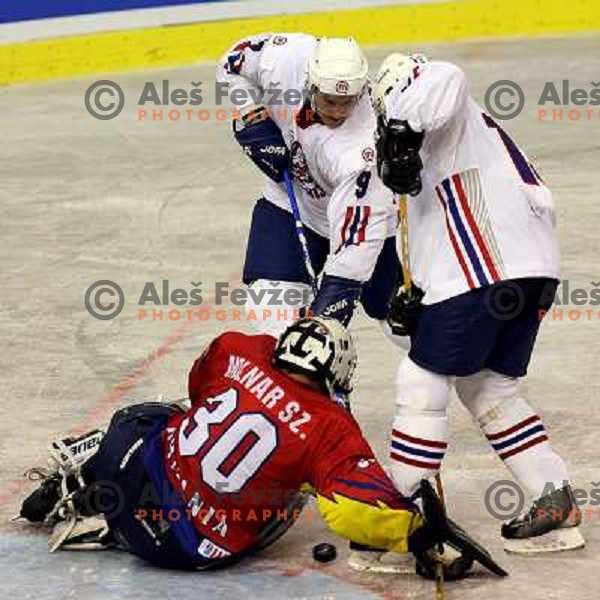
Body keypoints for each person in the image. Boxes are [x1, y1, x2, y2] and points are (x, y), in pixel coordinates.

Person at [18, 318, 505, 579]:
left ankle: (82, 476)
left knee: (152, 417)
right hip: (192, 550)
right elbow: (355, 510)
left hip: (136, 477)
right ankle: (119, 525)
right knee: (298, 491)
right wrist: (417, 533)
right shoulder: (331, 426)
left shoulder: (238, 347)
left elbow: (199, 388)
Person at [371, 53, 584, 554]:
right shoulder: (462, 144)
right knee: (488, 384)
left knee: (421, 379)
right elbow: (429, 233)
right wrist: (415, 298)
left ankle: (408, 517)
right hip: (528, 269)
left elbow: (445, 76)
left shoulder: (437, 104)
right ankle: (552, 497)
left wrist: (400, 132)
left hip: (490, 264)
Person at [216, 34, 400, 336]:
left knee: (403, 324)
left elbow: (358, 243)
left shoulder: (361, 149)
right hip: (295, 202)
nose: (339, 112)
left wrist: (333, 302)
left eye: (348, 102)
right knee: (269, 305)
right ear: (311, 84)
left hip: (372, 223)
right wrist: (249, 115)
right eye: (330, 101)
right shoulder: (287, 58)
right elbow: (231, 64)